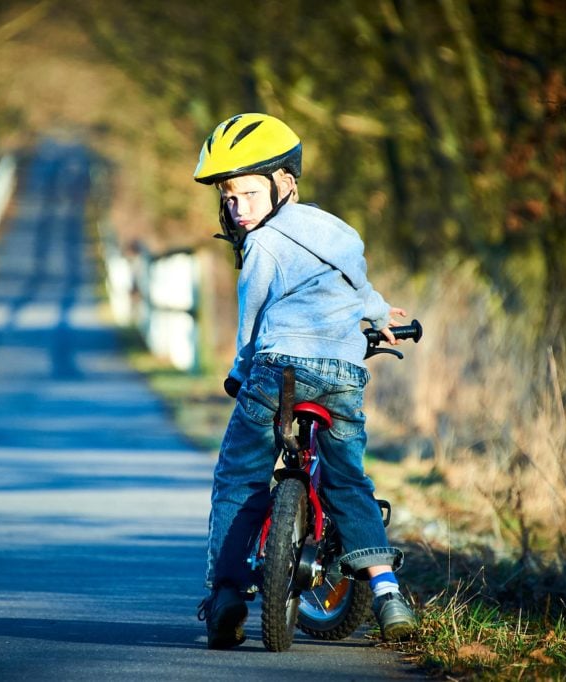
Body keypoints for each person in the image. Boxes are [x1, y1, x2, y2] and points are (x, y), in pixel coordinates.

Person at [192, 113, 417, 649]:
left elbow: (253, 319)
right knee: (348, 481)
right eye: (228, 196)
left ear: (285, 184)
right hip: (341, 373)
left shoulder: (262, 247)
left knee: (239, 476)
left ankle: (226, 594)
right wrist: (382, 318)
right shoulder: (340, 232)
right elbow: (357, 288)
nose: (235, 206)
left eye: (247, 192)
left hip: (277, 372)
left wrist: (238, 372)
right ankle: (387, 594)